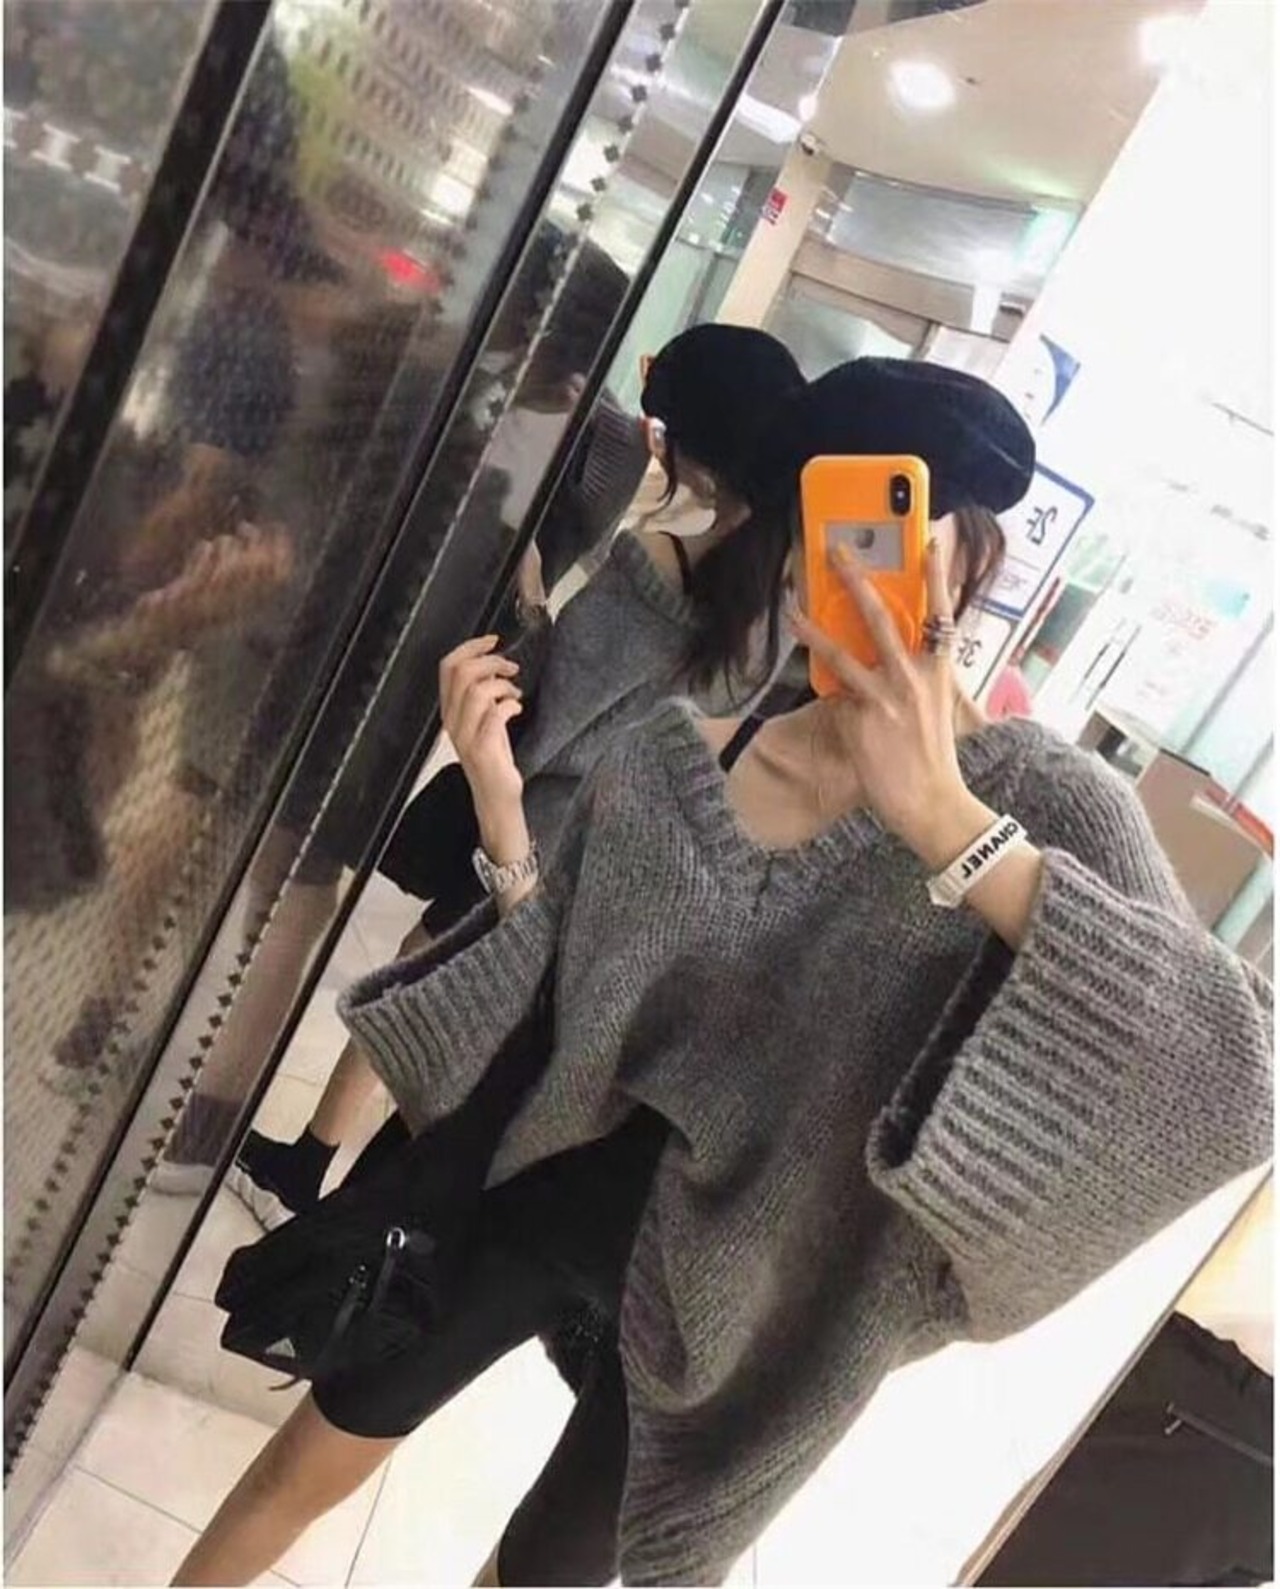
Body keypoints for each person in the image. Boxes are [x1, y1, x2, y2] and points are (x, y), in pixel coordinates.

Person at [175, 357, 1272, 1588]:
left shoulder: (1046, 803)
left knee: (540, 1573)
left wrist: (949, 825)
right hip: (550, 1180)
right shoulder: (681, 751)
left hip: (747, 1300)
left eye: (894, 533)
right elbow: (558, 976)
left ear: (968, 568)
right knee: (312, 1452)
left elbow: (1229, 1076)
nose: (849, 566)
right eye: (824, 526)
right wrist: (499, 805)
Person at [228, 323, 807, 1226]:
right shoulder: (778, 615)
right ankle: (321, 1169)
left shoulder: (657, 560)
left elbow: (555, 701)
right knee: (455, 1000)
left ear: (695, 450)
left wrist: (530, 596)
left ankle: (316, 1178)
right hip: (623, 860)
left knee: (426, 985)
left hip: (535, 825)